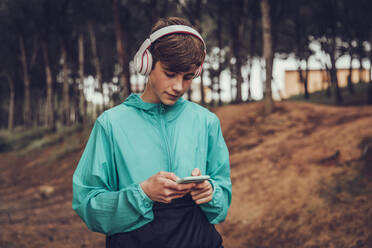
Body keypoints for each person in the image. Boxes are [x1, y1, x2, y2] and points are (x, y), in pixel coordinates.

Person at [72, 17, 232, 248]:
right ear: (146, 63)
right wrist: (143, 193)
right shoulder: (111, 124)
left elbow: (223, 198)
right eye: (170, 73)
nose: (179, 86)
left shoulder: (206, 122)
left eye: (188, 77)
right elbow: (88, 204)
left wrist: (210, 192)